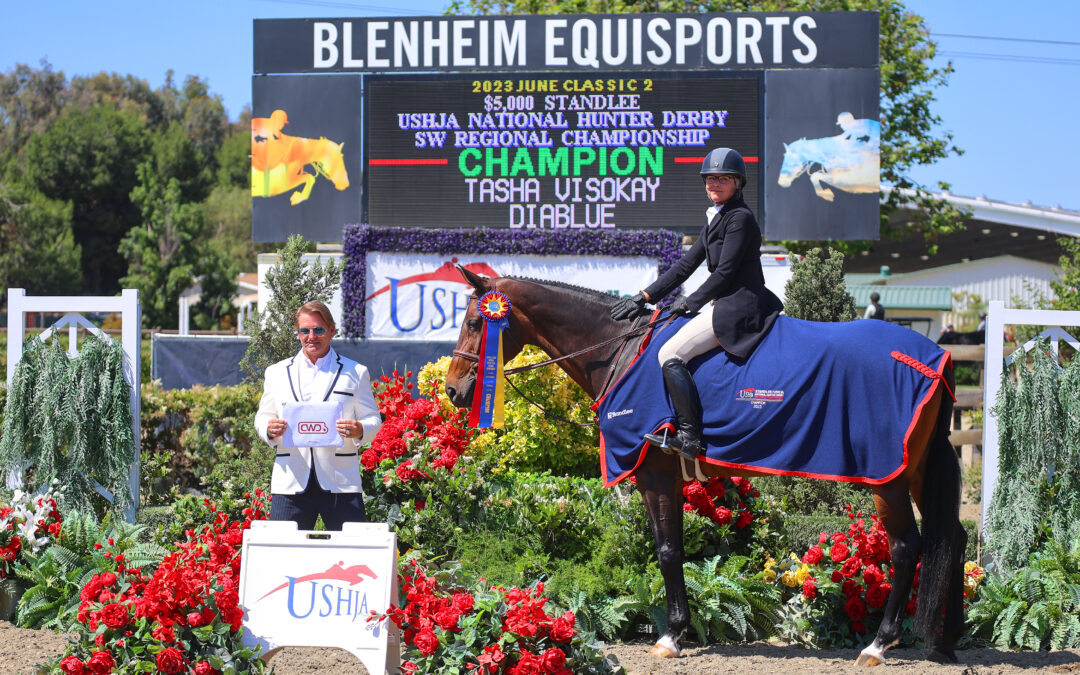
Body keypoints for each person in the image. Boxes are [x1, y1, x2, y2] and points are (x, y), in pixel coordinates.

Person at [609, 147, 783, 460]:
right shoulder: (717, 219)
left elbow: (727, 272)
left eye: (722, 178)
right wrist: (644, 297)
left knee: (669, 353)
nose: (714, 183)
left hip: (740, 304)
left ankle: (690, 438)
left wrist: (691, 302)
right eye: (709, 178)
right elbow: (684, 266)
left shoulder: (740, 219)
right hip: (725, 300)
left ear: (737, 182)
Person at [254, 301, 382, 530]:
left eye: (318, 329)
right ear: (298, 333)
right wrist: (268, 429)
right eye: (305, 330)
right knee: (283, 553)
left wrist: (360, 429)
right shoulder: (276, 373)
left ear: (331, 330)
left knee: (351, 554)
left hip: (341, 481)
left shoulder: (356, 372)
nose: (311, 336)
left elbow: (373, 419)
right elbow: (262, 416)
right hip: (290, 480)